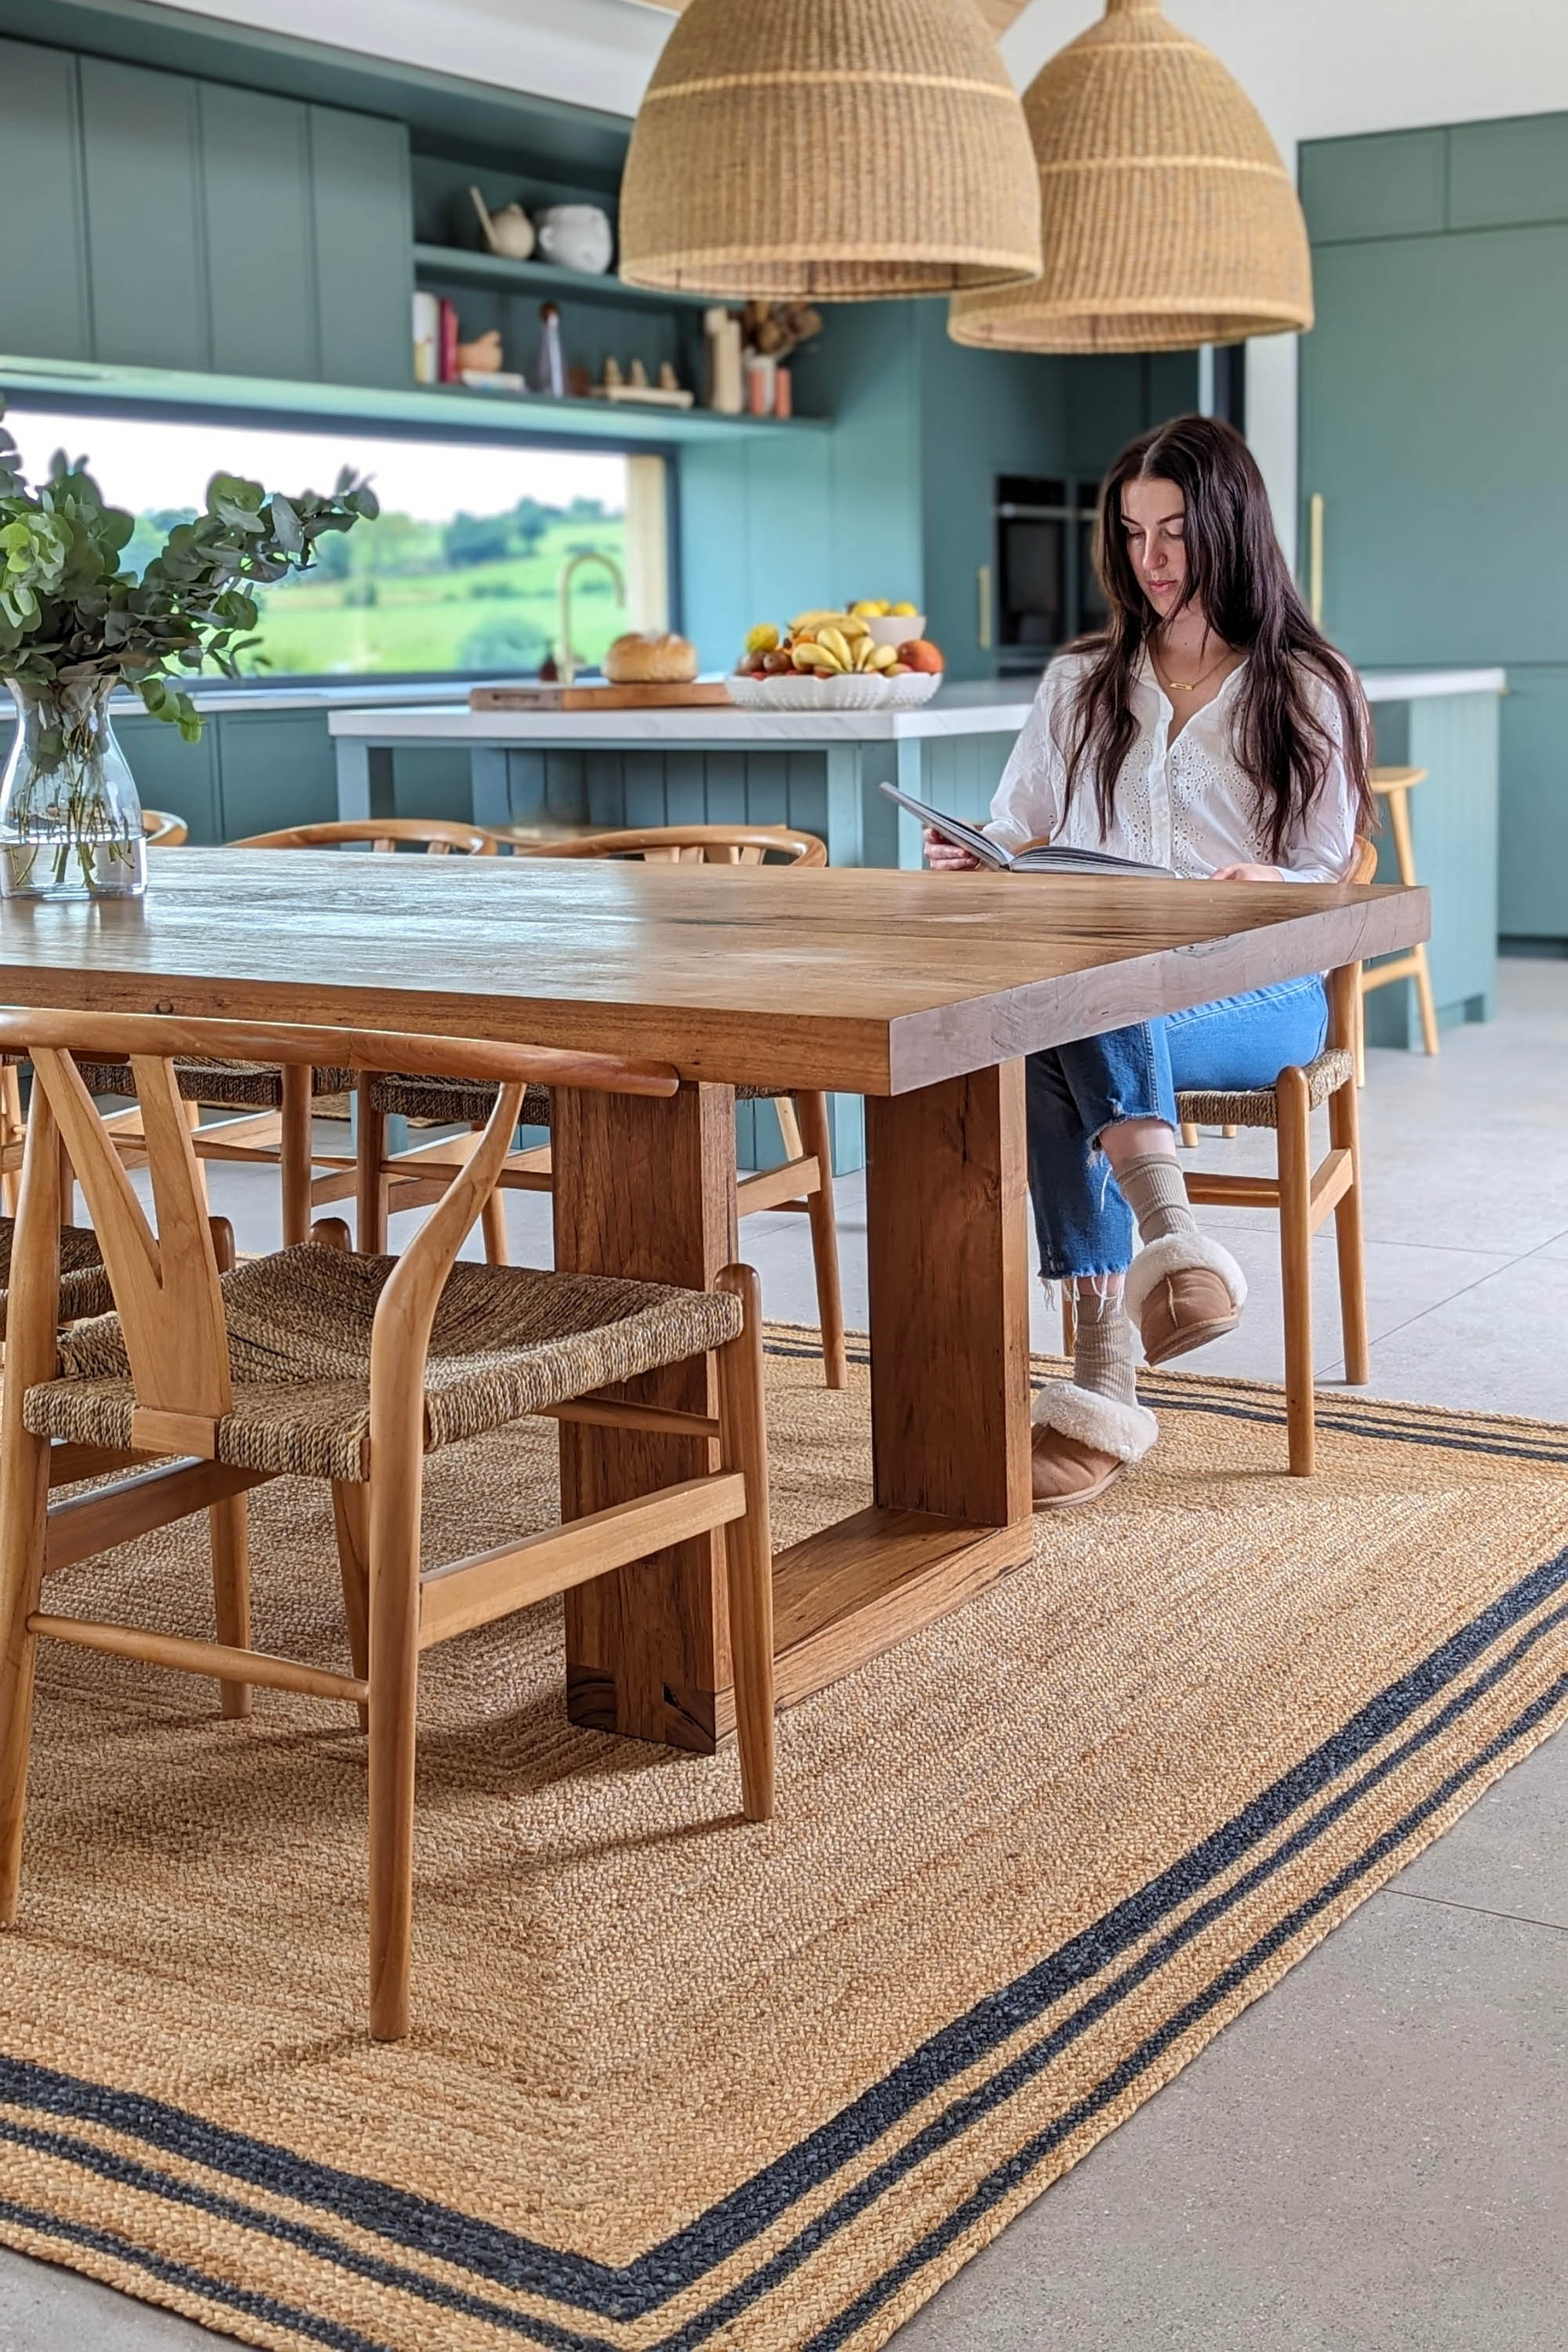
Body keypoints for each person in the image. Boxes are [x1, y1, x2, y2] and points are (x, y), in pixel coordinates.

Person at [927, 415, 1372, 1510]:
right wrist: (982, 861)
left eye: (1175, 531)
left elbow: (1331, 871)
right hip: (1111, 983)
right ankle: (1171, 1242)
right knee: (1069, 1006)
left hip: (1259, 989)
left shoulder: (1307, 683)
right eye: (1132, 534)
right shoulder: (1082, 680)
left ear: (1231, 527)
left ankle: (1103, 1372)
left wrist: (1271, 890)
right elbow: (1018, 826)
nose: (1153, 559)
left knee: (1064, 1017)